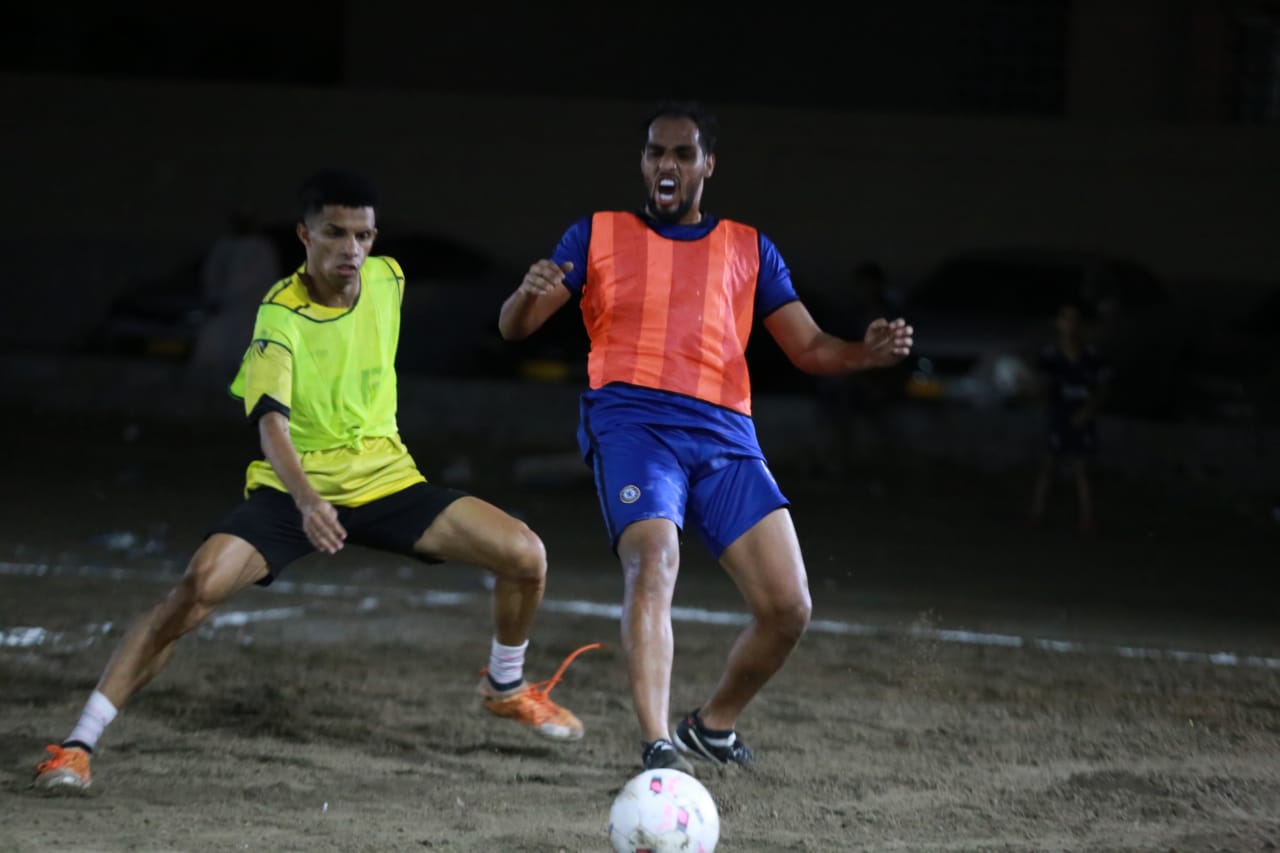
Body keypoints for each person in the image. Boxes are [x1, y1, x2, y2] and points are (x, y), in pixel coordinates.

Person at [34, 169, 591, 793]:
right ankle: (77, 744)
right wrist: (306, 500)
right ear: (305, 235)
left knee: (525, 554)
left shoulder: (388, 278)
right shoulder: (280, 316)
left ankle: (505, 685)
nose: (351, 249)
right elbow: (270, 425)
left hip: (387, 482)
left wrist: (526, 295)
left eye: (363, 235)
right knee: (196, 588)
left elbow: (503, 329)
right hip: (293, 491)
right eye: (335, 233)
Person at [497, 101, 913, 774]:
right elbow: (516, 328)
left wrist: (866, 354)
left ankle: (712, 725)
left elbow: (808, 348)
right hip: (633, 423)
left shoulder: (750, 248)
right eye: (655, 152)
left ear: (708, 165)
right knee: (654, 558)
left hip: (725, 433)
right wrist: (525, 294)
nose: (667, 164)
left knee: (788, 606)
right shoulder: (595, 234)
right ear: (643, 163)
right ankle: (657, 741)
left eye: (682, 153)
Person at [810, 261, 907, 482]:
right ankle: (836, 463)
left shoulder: (891, 315)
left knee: (873, 415)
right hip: (856, 380)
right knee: (835, 404)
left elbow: (896, 357)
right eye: (860, 285)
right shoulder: (850, 315)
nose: (863, 290)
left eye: (867, 285)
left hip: (882, 381)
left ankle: (877, 468)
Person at [1028, 300, 1113, 535]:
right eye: (1065, 318)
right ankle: (1036, 515)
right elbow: (1040, 385)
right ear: (1058, 323)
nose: (1070, 324)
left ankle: (1087, 519)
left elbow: (1103, 388)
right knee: (1048, 465)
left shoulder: (1093, 355)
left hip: (1083, 416)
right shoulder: (1050, 354)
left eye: (1075, 319)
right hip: (1059, 415)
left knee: (1082, 469)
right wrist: (1034, 392)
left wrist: (1088, 410)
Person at [187, 207, 284, 386]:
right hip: (225, 309)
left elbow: (267, 278)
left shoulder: (261, 248)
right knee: (215, 348)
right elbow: (212, 275)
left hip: (250, 309)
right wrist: (214, 297)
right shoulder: (225, 247)